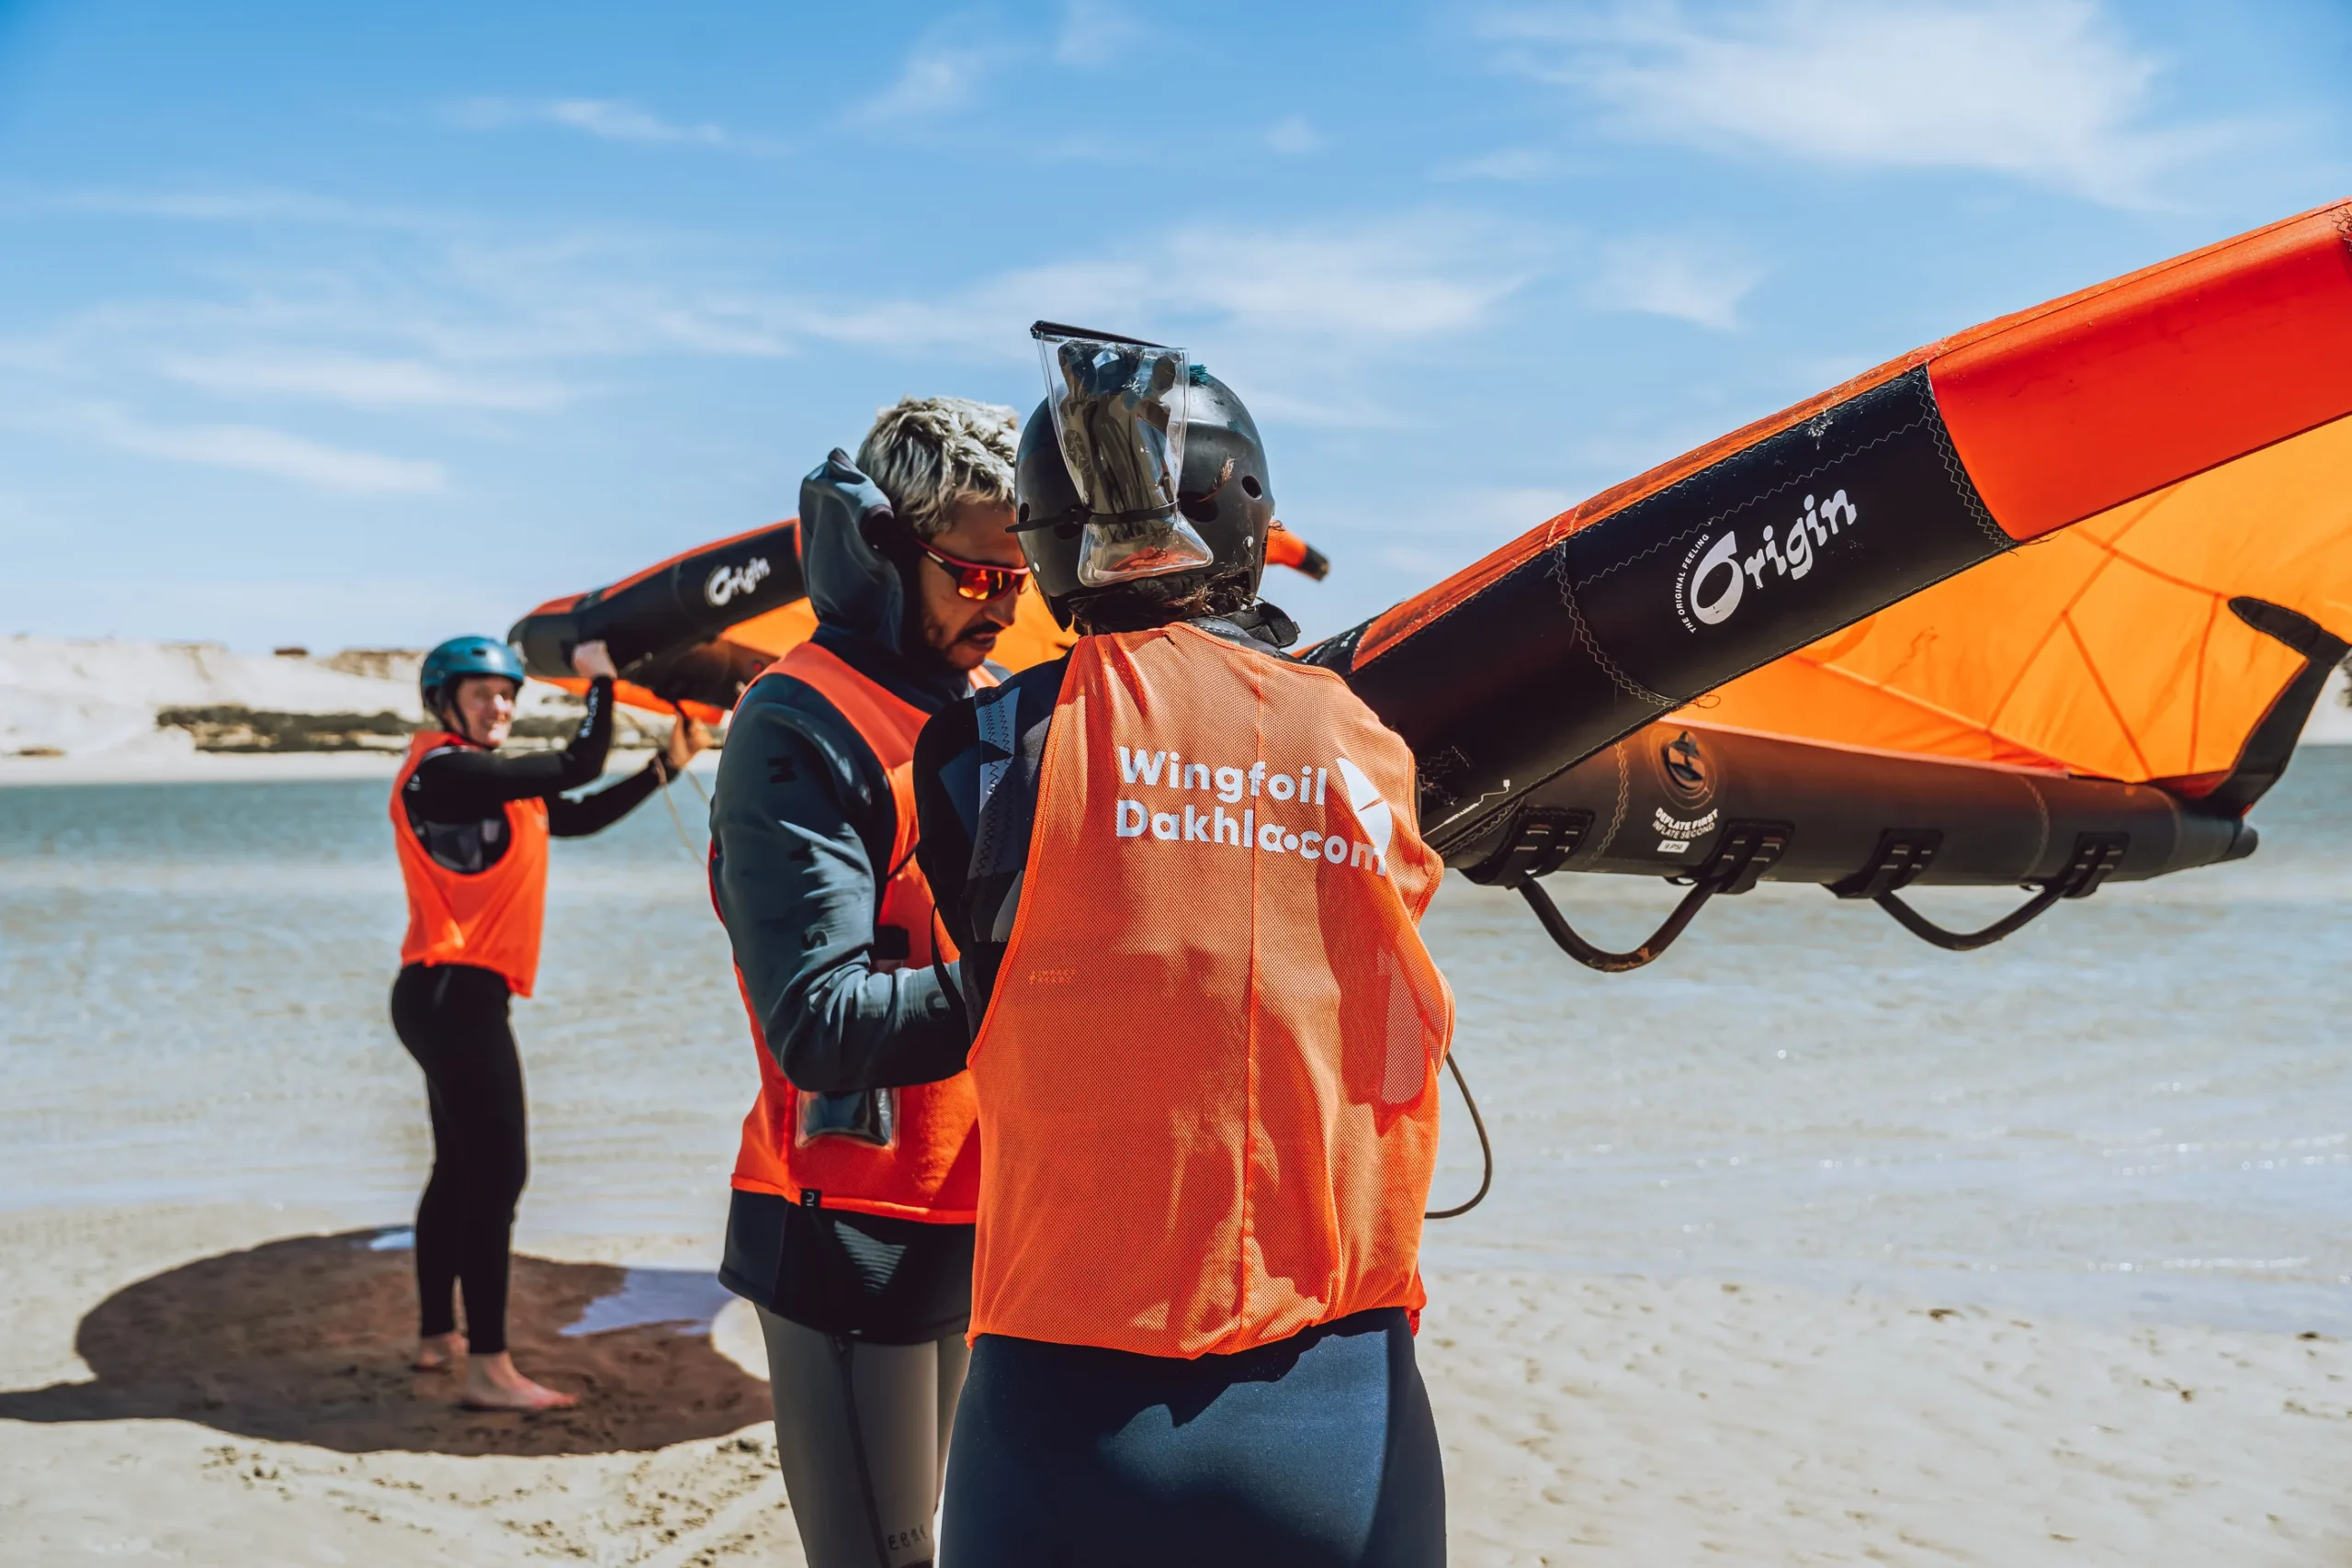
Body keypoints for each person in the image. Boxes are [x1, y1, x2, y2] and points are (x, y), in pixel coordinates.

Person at [910, 331, 1454, 1565]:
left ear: (1045, 537)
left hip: (1061, 1423)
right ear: (1246, 508)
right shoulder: (1367, 742)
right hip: (1338, 1398)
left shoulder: (979, 754)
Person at [708, 397, 1026, 1567]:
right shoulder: (796, 724)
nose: (1001, 606)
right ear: (884, 552)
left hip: (978, 1211)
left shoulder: (985, 707)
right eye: (974, 576)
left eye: (1019, 576)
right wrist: (1049, 974)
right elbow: (820, 1024)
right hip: (847, 1227)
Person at [390, 634, 707, 1412]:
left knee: (459, 1171)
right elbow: (574, 764)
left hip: (448, 997)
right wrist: (601, 682)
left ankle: (441, 1338)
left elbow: (580, 809)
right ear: (446, 701)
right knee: (499, 1175)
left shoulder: (492, 786)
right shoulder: (446, 771)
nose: (499, 705)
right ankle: (489, 1369)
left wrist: (667, 766)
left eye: (507, 694)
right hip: (451, 996)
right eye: (481, 694)